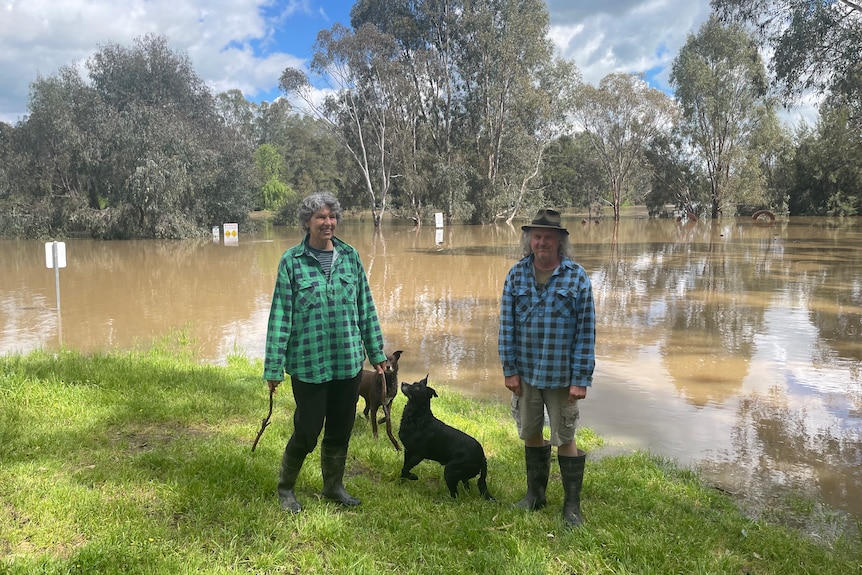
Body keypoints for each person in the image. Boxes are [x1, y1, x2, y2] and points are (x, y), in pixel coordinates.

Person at [264, 192, 387, 513]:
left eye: (332, 217)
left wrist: (377, 353)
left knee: (341, 428)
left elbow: (366, 308)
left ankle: (333, 486)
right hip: (309, 365)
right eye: (320, 217)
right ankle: (285, 489)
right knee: (307, 430)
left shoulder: (351, 257)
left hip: (348, 364)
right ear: (307, 222)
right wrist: (273, 367)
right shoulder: (291, 261)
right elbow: (280, 315)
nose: (327, 222)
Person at [498, 208, 596, 528]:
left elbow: (586, 331)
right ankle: (535, 496)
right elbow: (506, 326)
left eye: (548, 237)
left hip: (561, 375)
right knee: (530, 433)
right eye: (537, 237)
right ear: (530, 240)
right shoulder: (516, 275)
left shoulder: (577, 276)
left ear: (560, 242)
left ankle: (571, 506)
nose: (542, 242)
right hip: (525, 373)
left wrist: (580, 379)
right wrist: (509, 370)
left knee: (565, 437)